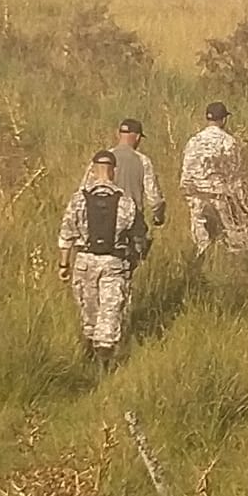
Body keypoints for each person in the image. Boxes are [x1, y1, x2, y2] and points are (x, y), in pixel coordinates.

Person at [57, 150, 138, 371]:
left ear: (92, 170)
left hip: (84, 262)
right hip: (113, 263)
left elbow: (66, 235)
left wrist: (64, 265)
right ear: (114, 171)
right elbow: (135, 235)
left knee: (89, 313)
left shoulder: (78, 199)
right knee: (110, 313)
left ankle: (88, 357)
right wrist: (132, 259)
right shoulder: (126, 202)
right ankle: (104, 365)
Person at [81, 117, 165, 270]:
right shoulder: (143, 161)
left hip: (99, 223)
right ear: (138, 137)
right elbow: (155, 200)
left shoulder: (103, 159)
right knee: (131, 268)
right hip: (132, 226)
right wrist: (158, 218)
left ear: (118, 134)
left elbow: (84, 191)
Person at [180, 102, 248, 255]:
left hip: (197, 198)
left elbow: (186, 175)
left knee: (203, 245)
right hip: (220, 198)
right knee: (232, 244)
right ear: (224, 119)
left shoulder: (194, 141)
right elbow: (234, 176)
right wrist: (241, 204)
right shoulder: (229, 142)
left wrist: (190, 198)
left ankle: (204, 267)